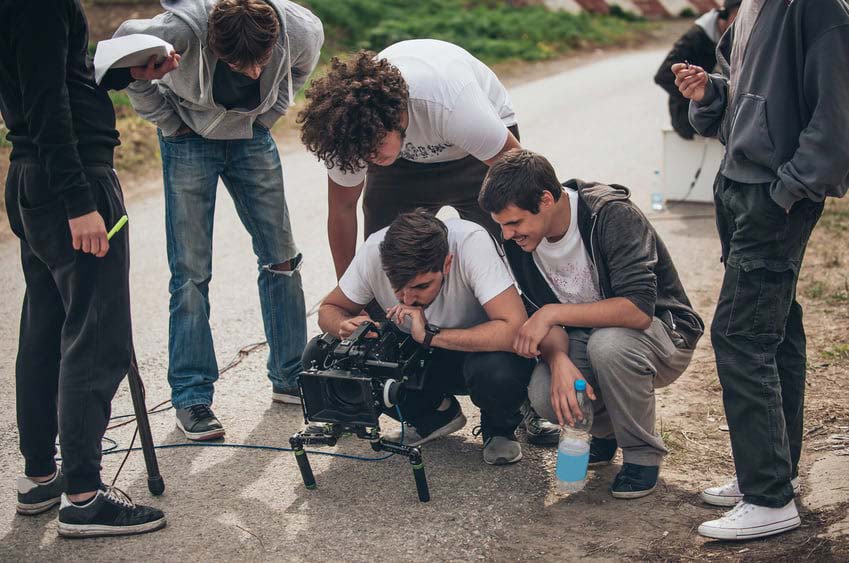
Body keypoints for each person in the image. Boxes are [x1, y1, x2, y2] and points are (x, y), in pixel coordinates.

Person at [0, 0, 179, 537]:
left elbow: (46, 81)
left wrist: (119, 74)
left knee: (46, 328)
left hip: (36, 175)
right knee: (95, 336)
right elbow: (48, 102)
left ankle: (41, 477)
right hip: (72, 182)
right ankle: (82, 496)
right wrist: (80, 202)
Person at [673, 0, 849, 540]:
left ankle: (769, 497)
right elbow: (744, 101)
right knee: (775, 330)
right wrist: (710, 93)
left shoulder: (815, 8)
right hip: (738, 188)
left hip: (774, 198)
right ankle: (773, 470)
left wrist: (791, 190)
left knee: (741, 334)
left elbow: (837, 114)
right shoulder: (749, 7)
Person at [114, 0, 324, 441]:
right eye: (234, 63)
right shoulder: (180, 29)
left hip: (253, 136)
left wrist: (267, 116)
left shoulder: (300, 29)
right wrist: (170, 123)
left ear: (276, 41)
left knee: (282, 258)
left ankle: (290, 377)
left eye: (260, 64)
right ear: (210, 43)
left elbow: (300, 72)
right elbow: (123, 59)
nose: (249, 73)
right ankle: (192, 398)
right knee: (190, 272)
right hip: (188, 139)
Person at [479, 150, 704, 498]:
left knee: (609, 346)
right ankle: (603, 434)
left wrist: (552, 313)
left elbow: (638, 310)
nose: (508, 235)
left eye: (515, 223)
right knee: (546, 393)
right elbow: (540, 317)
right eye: (502, 225)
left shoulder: (610, 215)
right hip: (587, 337)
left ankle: (641, 454)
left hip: (662, 333)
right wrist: (559, 360)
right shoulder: (520, 243)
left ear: (546, 199)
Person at [311, 210, 535, 465]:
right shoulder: (374, 249)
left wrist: (431, 335)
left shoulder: (471, 243)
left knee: (497, 372)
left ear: (447, 264)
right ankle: (434, 416)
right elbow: (328, 309)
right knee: (322, 354)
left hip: (479, 349)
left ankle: (499, 427)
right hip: (418, 351)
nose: (407, 300)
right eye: (397, 286)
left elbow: (515, 329)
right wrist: (344, 325)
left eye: (420, 286)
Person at [654, 0, 740, 139]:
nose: (742, 25)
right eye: (738, 18)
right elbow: (663, 75)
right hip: (688, 117)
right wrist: (700, 99)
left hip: (723, 114)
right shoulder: (696, 38)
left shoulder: (739, 39)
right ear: (724, 14)